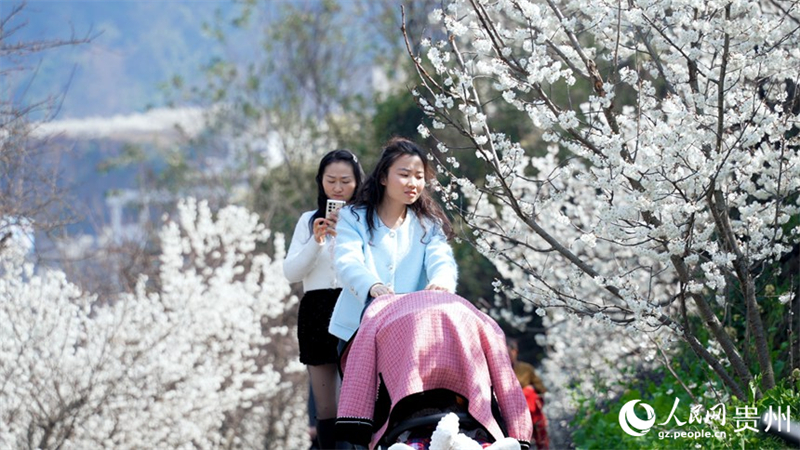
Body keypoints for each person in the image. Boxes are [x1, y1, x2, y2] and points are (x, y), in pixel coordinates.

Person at [335, 291, 533, 449]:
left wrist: (356, 424)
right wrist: (519, 432)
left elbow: (360, 372)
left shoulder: (377, 317)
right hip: (469, 411)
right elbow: (506, 380)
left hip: (405, 411)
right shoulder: (477, 319)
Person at [328, 137, 458, 344]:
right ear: (383, 178)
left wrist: (441, 283)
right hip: (357, 329)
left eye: (419, 176)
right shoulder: (353, 217)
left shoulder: (429, 224)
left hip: (412, 329)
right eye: (404, 174)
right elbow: (347, 260)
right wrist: (372, 285)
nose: (413, 183)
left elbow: (442, 259)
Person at [283, 149, 364, 450]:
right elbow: (291, 272)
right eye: (331, 181)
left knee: (360, 398)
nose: (338, 188)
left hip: (354, 308)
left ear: (358, 182)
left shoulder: (366, 220)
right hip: (317, 311)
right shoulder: (307, 221)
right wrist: (316, 242)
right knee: (325, 406)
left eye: (346, 181)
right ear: (321, 182)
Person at [507, 338, 549, 450]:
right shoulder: (499, 370)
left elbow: (541, 388)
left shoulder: (526, 368)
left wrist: (530, 389)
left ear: (515, 351)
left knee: (529, 394)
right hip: (508, 408)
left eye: (509, 351)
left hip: (528, 408)